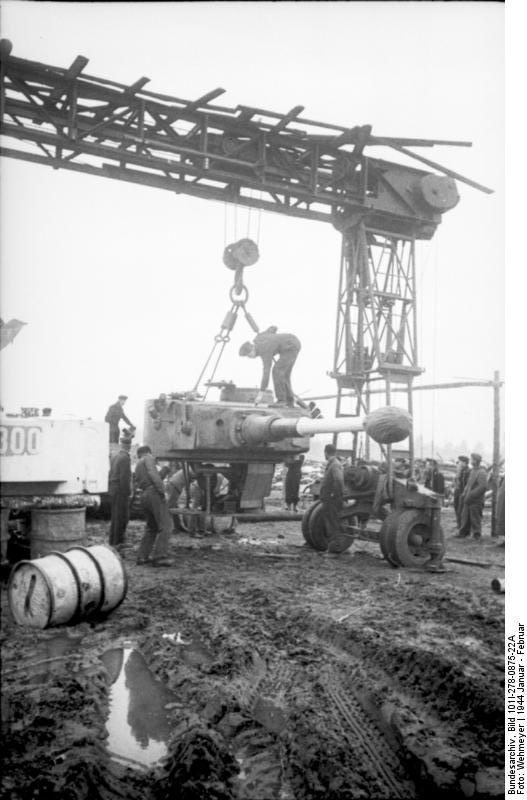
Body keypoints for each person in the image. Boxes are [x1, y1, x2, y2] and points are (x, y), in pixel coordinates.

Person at [239, 328, 301, 407]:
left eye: (249, 355)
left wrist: (261, 392)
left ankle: (281, 400)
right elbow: (273, 328)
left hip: (290, 347)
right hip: (293, 342)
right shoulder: (259, 337)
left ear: (252, 349)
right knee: (284, 375)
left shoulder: (264, 351)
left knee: (277, 371)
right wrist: (274, 340)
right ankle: (289, 401)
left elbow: (266, 372)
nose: (250, 357)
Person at [134, 445, 174, 566]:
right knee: (166, 525)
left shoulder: (138, 464)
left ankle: (142, 556)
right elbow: (153, 475)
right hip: (154, 494)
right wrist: (163, 491)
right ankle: (159, 557)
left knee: (152, 527)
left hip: (145, 495)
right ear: (149, 452)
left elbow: (152, 477)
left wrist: (166, 469)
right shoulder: (148, 458)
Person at [108, 431, 133, 552]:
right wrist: (128, 492)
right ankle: (118, 542)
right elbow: (125, 478)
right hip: (120, 491)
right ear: (128, 446)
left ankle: (113, 541)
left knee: (115, 516)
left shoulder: (116, 456)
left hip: (113, 489)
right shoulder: (125, 458)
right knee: (122, 517)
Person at [320, 444, 346, 555]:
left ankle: (335, 549)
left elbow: (339, 481)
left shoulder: (335, 465)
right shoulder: (332, 464)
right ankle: (333, 547)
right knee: (330, 522)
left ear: (326, 452)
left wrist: (334, 496)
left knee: (333, 523)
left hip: (331, 500)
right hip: (328, 499)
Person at [458, 452, 488, 540]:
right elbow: (468, 484)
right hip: (468, 499)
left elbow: (483, 487)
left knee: (475, 518)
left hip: (476, 500)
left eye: (472, 459)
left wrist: (471, 495)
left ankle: (477, 535)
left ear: (476, 461)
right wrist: (464, 493)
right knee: (465, 517)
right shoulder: (473, 471)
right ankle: (463, 533)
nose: (471, 461)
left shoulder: (481, 472)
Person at [453, 456, 470, 529]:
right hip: (458, 492)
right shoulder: (460, 470)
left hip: (463, 493)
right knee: (456, 507)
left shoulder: (468, 471)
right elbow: (457, 482)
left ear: (464, 463)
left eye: (460, 462)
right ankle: (458, 525)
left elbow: (467, 484)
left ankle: (461, 526)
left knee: (461, 510)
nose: (458, 463)